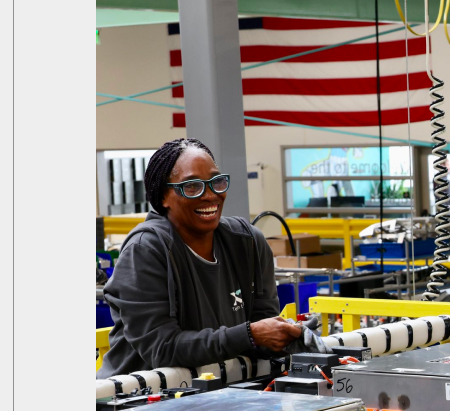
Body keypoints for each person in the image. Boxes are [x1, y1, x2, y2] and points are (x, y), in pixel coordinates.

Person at [99, 138, 302, 378]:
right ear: (162, 196)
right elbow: (163, 349)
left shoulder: (247, 242)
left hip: (223, 392)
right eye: (192, 186)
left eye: (216, 182)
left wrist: (287, 336)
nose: (210, 195)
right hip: (141, 402)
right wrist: (249, 334)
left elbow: (263, 332)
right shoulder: (146, 250)